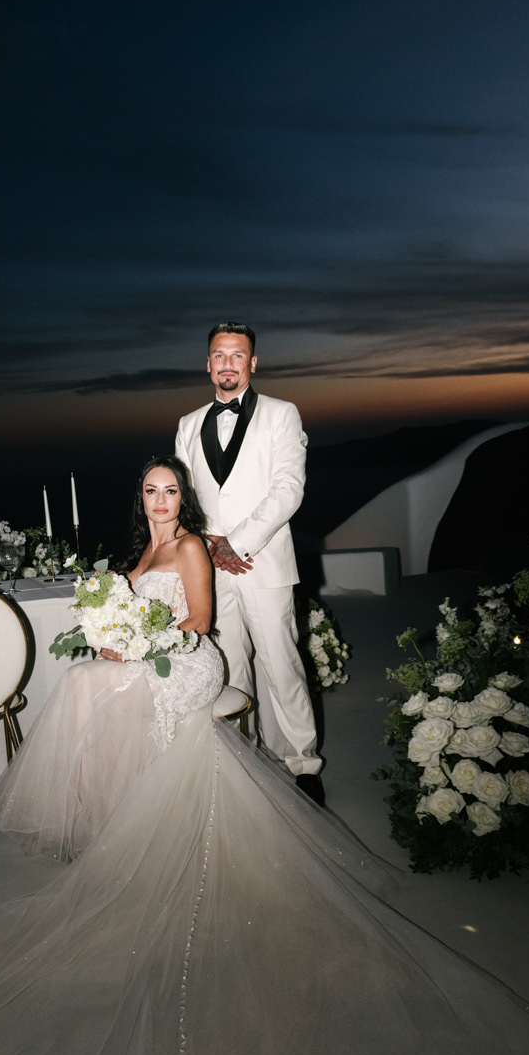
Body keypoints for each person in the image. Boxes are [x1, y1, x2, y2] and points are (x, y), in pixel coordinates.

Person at [0, 457, 529, 1055]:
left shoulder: (190, 549)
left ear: (184, 499)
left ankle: (136, 818)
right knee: (85, 678)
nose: (161, 500)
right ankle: (118, 821)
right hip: (149, 656)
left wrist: (138, 645)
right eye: (151, 491)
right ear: (140, 499)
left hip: (189, 663)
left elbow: (201, 624)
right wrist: (110, 639)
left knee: (98, 687)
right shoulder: (136, 556)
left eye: (171, 491)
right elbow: (122, 618)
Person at [176, 322, 324, 804]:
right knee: (227, 665)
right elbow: (184, 497)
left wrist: (235, 543)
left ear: (252, 363)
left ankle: (304, 762)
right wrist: (204, 546)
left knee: (282, 665)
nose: (228, 364)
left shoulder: (282, 414)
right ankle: (245, 756)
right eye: (219, 355)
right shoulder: (187, 424)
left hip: (263, 562)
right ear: (208, 364)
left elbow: (289, 490)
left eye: (237, 355)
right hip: (210, 568)